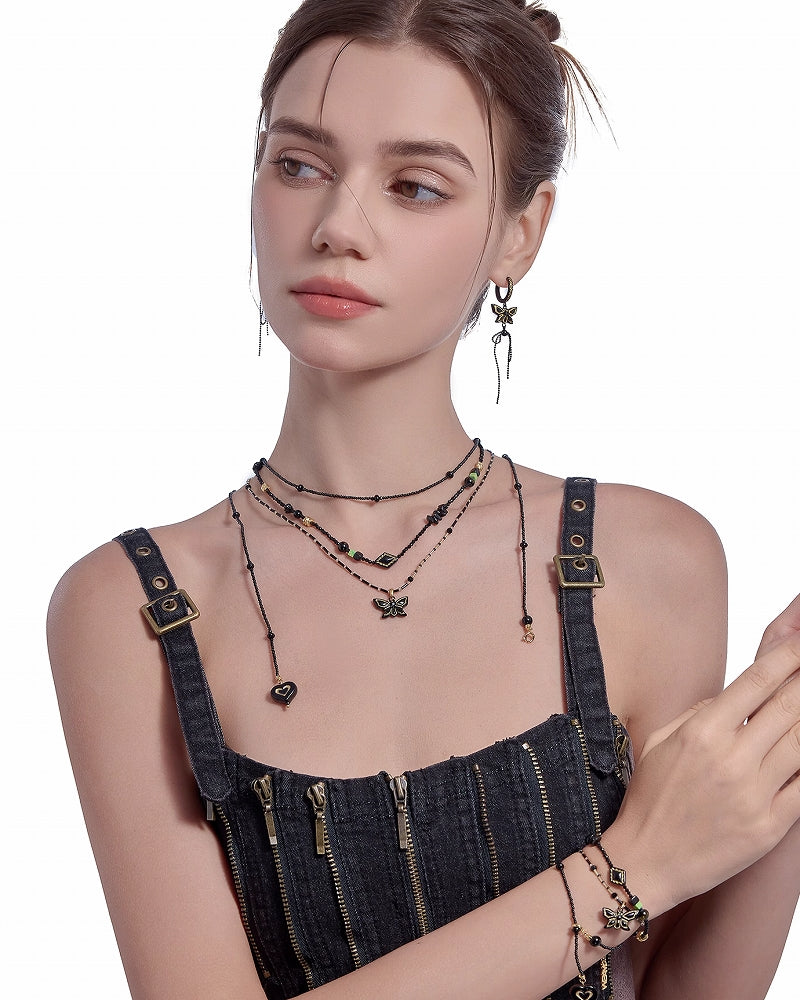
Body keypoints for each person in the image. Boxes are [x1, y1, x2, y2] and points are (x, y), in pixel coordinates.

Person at [47, 1, 800, 998]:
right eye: (298, 165)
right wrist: (633, 866)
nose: (335, 227)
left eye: (413, 186)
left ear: (519, 234)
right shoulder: (131, 605)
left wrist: (783, 760)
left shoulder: (648, 561)